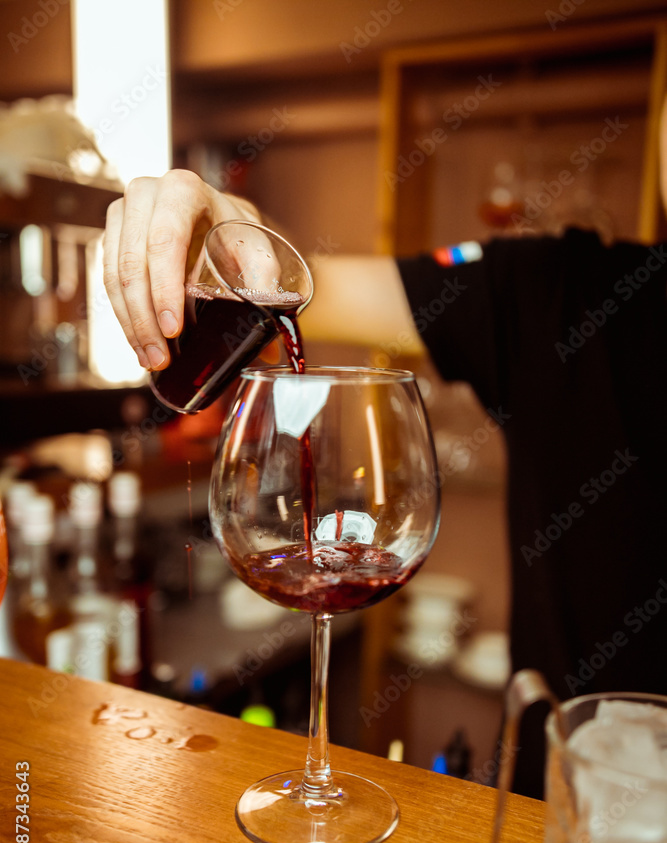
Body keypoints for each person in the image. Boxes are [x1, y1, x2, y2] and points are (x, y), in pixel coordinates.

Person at [103, 170, 667, 798]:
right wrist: (225, 226)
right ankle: (315, 783)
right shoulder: (563, 289)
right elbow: (304, 287)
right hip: (559, 818)